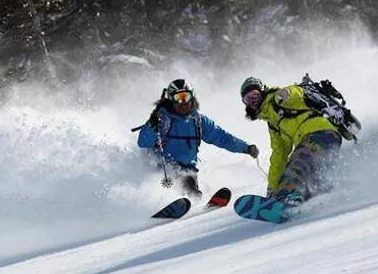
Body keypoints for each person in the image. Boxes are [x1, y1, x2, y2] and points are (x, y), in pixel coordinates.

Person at [138, 79, 259, 198]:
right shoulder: (162, 119)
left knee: (190, 185)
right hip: (163, 167)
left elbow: (222, 137)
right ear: (171, 100)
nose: (183, 102)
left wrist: (245, 148)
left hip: (188, 170)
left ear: (192, 97)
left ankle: (193, 206)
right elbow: (143, 142)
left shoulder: (198, 121)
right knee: (186, 185)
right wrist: (152, 125)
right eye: (178, 98)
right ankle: (175, 203)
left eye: (186, 97)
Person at [240, 77, 342, 206]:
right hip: (322, 141)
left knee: (296, 166)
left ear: (262, 92)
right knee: (315, 180)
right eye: (247, 99)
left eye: (254, 95)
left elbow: (297, 91)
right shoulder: (273, 123)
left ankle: (287, 198)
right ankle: (310, 201)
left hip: (319, 133)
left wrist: (286, 93)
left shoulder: (277, 99)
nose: (252, 101)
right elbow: (279, 155)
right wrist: (272, 188)